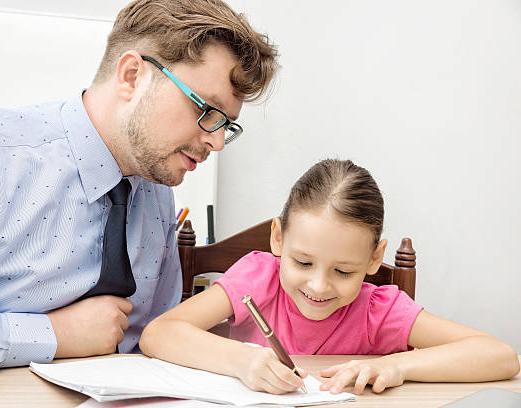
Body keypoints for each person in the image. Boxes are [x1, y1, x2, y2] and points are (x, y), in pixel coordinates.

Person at [0, 0, 278, 372]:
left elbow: (155, 340)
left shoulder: (157, 192)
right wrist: (51, 334)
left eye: (225, 125)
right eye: (206, 111)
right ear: (132, 75)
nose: (216, 142)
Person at [140, 159, 520, 395]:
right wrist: (242, 361)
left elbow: (499, 357)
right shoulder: (259, 276)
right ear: (278, 237)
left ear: (374, 257)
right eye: (303, 263)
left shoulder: (379, 311)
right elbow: (159, 334)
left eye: (343, 271)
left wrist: (395, 366)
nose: (318, 286)